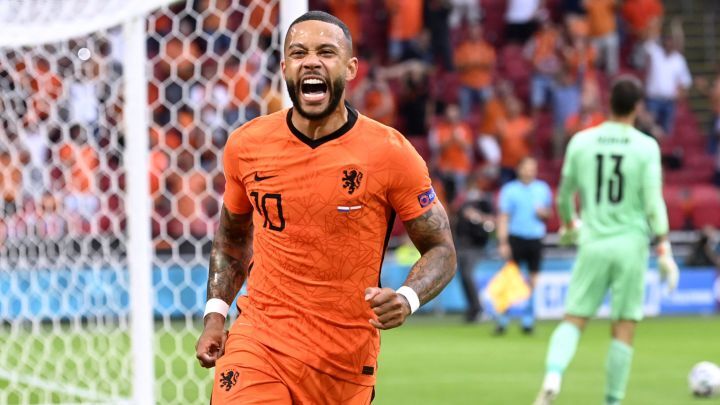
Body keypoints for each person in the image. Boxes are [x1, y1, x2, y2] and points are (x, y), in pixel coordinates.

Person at [195, 11, 457, 404]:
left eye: (326, 52)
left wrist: (407, 297)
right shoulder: (247, 145)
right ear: (284, 67)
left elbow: (441, 249)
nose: (311, 61)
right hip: (259, 343)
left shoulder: (390, 153)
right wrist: (216, 315)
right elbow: (231, 239)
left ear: (350, 68)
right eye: (299, 53)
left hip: (343, 362)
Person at [533, 76, 680, 405]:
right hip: (631, 246)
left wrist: (570, 223)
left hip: (593, 242)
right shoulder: (646, 146)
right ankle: (612, 401)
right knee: (624, 327)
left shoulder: (582, 141)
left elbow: (564, 195)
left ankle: (553, 376)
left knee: (574, 319)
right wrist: (664, 248)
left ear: (608, 103)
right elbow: (653, 203)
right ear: (638, 107)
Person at [496, 157, 552, 334]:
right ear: (519, 169)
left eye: (532, 168)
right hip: (516, 237)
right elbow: (504, 217)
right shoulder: (509, 190)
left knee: (533, 280)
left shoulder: (543, 189)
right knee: (510, 278)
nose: (529, 171)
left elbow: (549, 214)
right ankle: (503, 319)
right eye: (526, 168)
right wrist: (503, 242)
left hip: (535, 238)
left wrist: (544, 213)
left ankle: (528, 320)